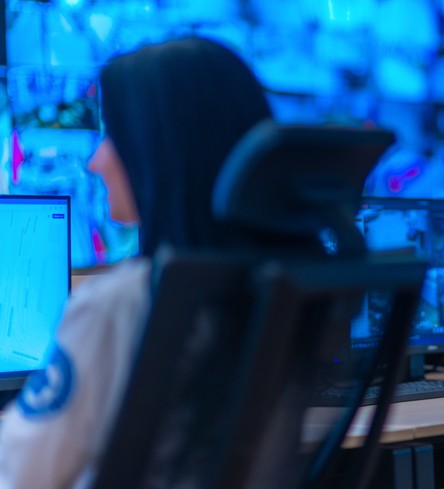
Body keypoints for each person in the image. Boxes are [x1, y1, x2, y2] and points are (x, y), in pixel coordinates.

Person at [0, 37, 273, 489]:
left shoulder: (125, 303)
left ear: (160, 152)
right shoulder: (277, 287)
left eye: (114, 137)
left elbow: (20, 473)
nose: (94, 161)